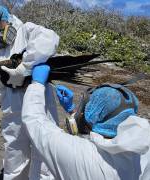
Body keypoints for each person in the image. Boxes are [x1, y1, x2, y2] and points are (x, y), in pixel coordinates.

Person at [0, 2, 60, 179]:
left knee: (43, 154)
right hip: (12, 110)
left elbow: (50, 39)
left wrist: (23, 68)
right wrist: (0, 80)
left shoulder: (27, 31)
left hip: (40, 104)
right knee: (14, 156)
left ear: (3, 19)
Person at [22, 64, 150, 180]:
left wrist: (36, 85)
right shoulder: (143, 148)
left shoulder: (76, 155)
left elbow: (35, 122)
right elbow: (97, 140)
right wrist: (71, 110)